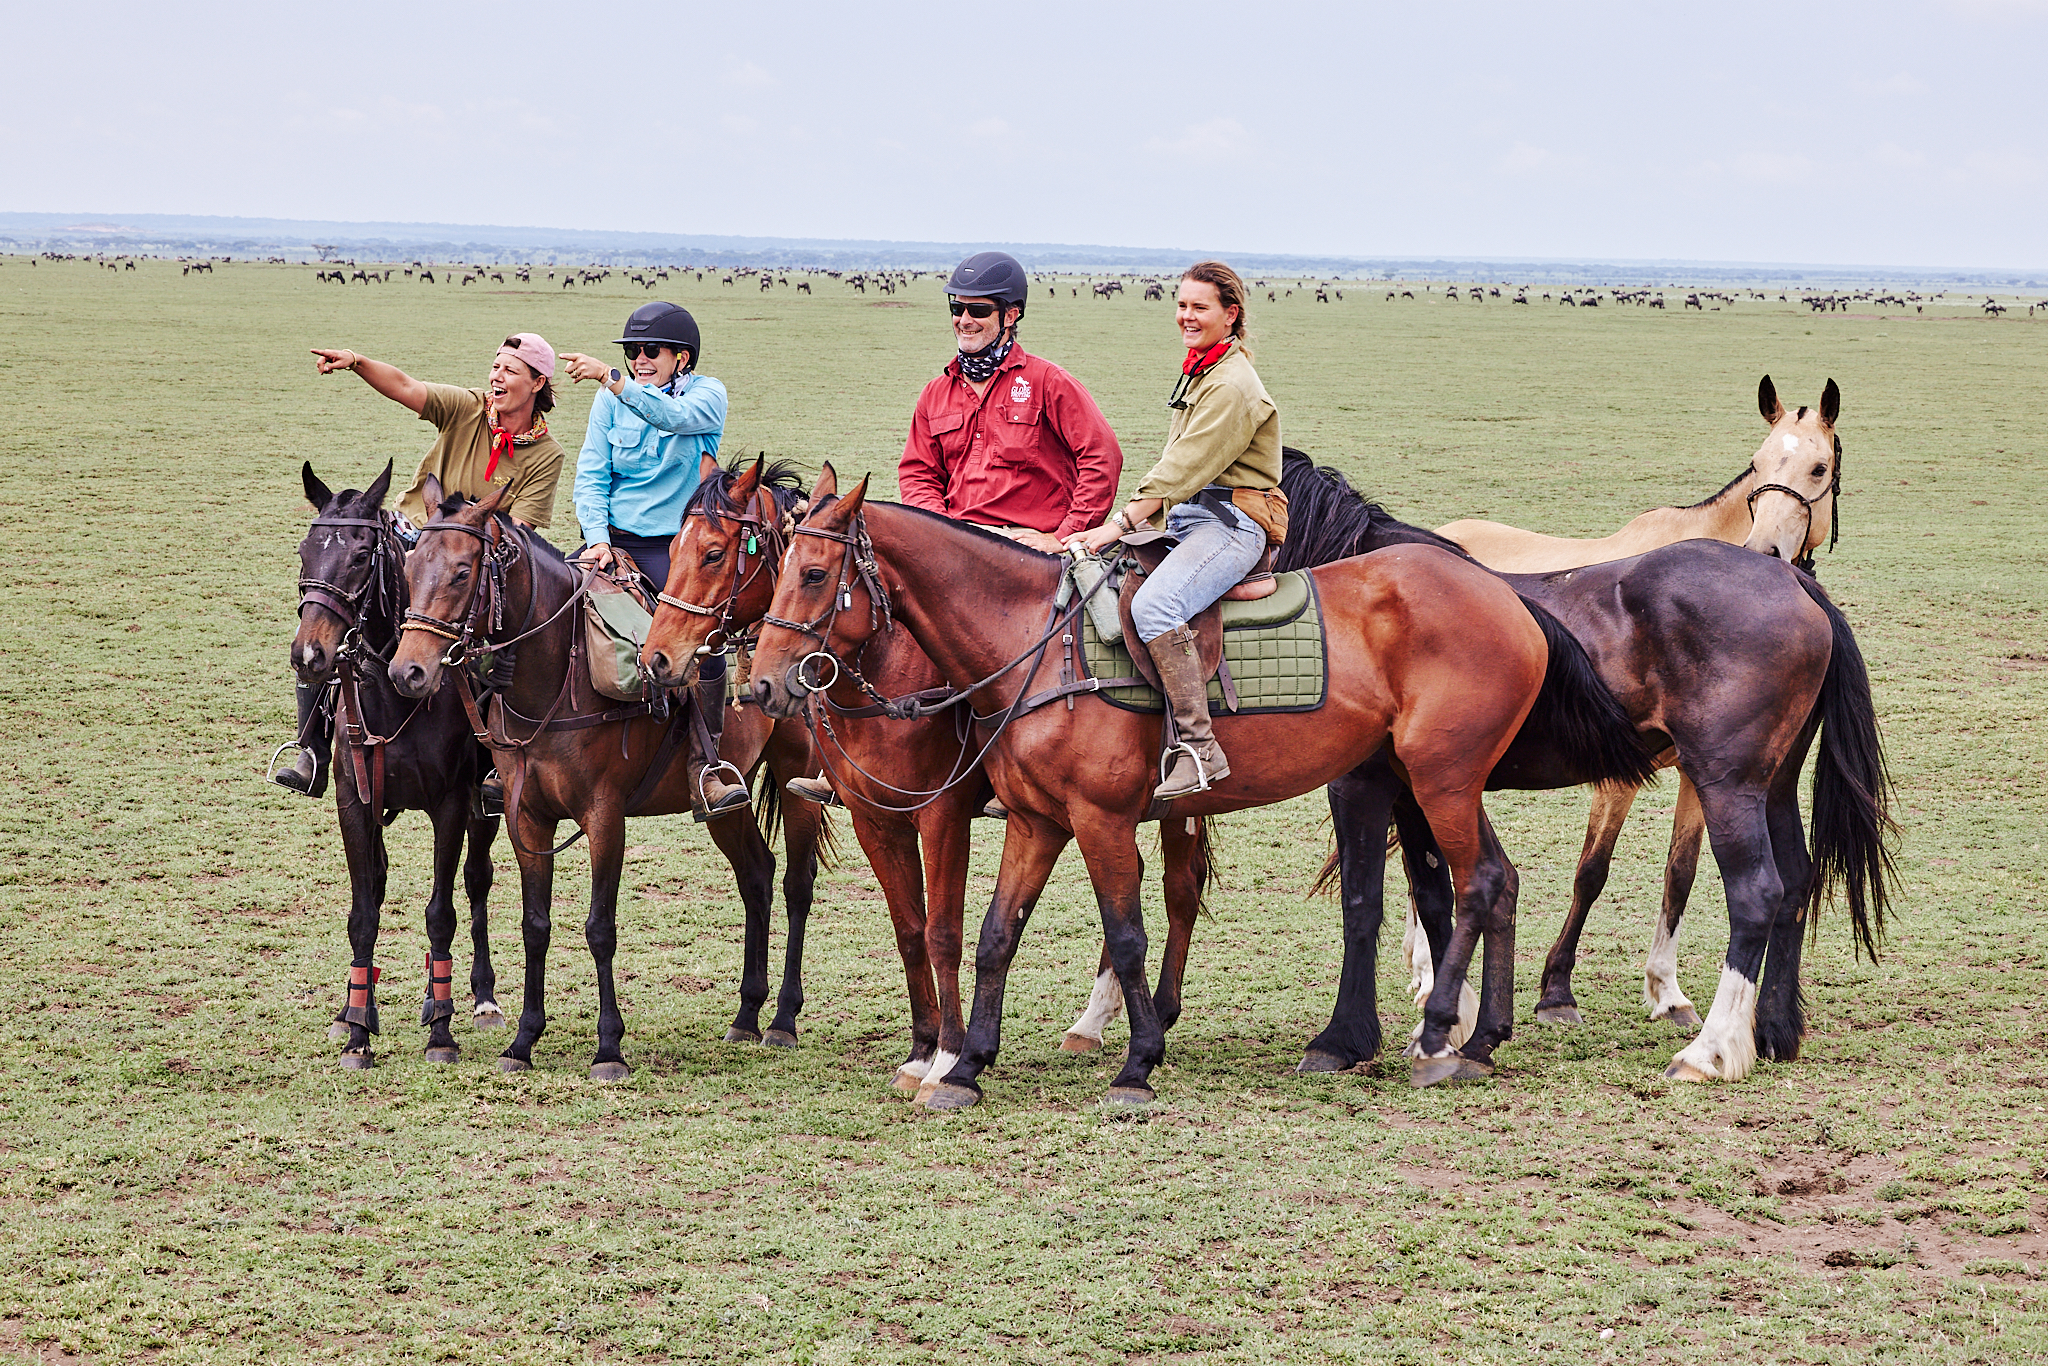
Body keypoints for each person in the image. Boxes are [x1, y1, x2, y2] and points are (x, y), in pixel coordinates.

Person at [786, 251, 1123, 806]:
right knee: (861, 626)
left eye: (977, 311)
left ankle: (1007, 773)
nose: (963, 320)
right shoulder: (936, 393)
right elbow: (918, 471)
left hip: (1023, 558)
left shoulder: (1046, 383)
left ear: (1009, 315)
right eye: (956, 309)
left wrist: (1065, 535)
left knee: (1011, 661)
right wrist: (937, 540)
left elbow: (1100, 456)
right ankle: (847, 761)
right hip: (953, 554)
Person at [277, 334, 567, 797]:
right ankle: (311, 747)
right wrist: (357, 361)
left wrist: (458, 551)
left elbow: (519, 530)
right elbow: (406, 386)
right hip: (411, 532)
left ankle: (490, 761)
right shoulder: (467, 407)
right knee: (333, 589)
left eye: (510, 371)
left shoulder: (546, 455)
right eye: (495, 367)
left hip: (478, 555)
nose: (497, 377)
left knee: (502, 642)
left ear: (537, 382)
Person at [1067, 260, 1282, 800]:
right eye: (1182, 305)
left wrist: (1118, 524)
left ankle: (1199, 749)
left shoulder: (1234, 385)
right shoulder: (1203, 368)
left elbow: (1185, 465)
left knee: (1154, 607)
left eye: (1199, 307)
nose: (1187, 316)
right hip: (1191, 517)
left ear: (1230, 315)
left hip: (1231, 525)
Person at [558, 302, 746, 820]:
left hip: (678, 548)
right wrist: (595, 537)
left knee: (701, 642)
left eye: (650, 351)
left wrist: (615, 380)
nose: (640, 359)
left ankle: (706, 766)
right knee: (544, 611)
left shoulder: (708, 395)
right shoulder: (608, 401)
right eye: (632, 352)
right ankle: (510, 749)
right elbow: (591, 475)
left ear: (681, 357)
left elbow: (671, 415)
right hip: (612, 542)